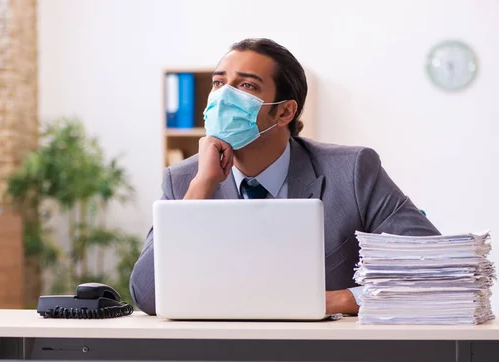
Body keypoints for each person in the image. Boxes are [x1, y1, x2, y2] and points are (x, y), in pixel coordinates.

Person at [130, 38, 440, 316]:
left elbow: (434, 268)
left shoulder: (353, 170)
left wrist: (345, 299)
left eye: (246, 86)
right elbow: (147, 296)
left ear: (284, 112)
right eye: (218, 83)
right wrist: (201, 188)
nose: (223, 96)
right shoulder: (184, 179)